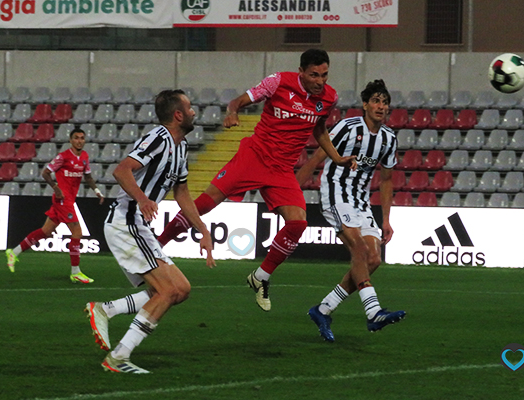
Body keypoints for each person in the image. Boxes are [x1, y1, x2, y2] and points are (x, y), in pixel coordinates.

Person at [156, 49, 357, 312]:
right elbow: (238, 101)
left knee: (298, 223)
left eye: (325, 75)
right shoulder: (278, 82)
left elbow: (319, 129)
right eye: (314, 75)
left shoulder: (329, 97)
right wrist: (233, 112)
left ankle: (260, 277)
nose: (320, 81)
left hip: (282, 170)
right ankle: (156, 245)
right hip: (254, 157)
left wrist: (337, 157)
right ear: (301, 72)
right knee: (205, 203)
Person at [86, 89, 215, 374]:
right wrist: (143, 199)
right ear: (178, 115)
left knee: (181, 290)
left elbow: (182, 192)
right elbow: (121, 171)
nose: (194, 112)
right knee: (167, 290)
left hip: (137, 224)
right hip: (126, 221)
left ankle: (106, 310)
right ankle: (118, 357)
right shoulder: (158, 138)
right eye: (190, 108)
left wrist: (203, 230)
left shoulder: (180, 147)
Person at [296, 79, 406, 342]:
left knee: (373, 260)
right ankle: (373, 312)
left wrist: (387, 219)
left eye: (385, 102)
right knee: (358, 250)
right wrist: (291, 192)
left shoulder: (389, 138)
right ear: (365, 105)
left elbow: (387, 180)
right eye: (376, 101)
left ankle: (323, 309)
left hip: (361, 201)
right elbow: (316, 157)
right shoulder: (348, 127)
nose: (381, 106)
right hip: (335, 193)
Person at [5, 128, 104, 284]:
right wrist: (55, 187)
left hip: (69, 199)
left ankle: (14, 252)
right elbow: (45, 173)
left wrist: (97, 191)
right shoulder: (63, 157)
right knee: (77, 232)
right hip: (63, 200)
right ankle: (75, 272)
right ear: (71, 140)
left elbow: (88, 176)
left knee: (46, 232)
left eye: (82, 138)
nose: (80, 141)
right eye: (76, 138)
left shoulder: (84, 157)